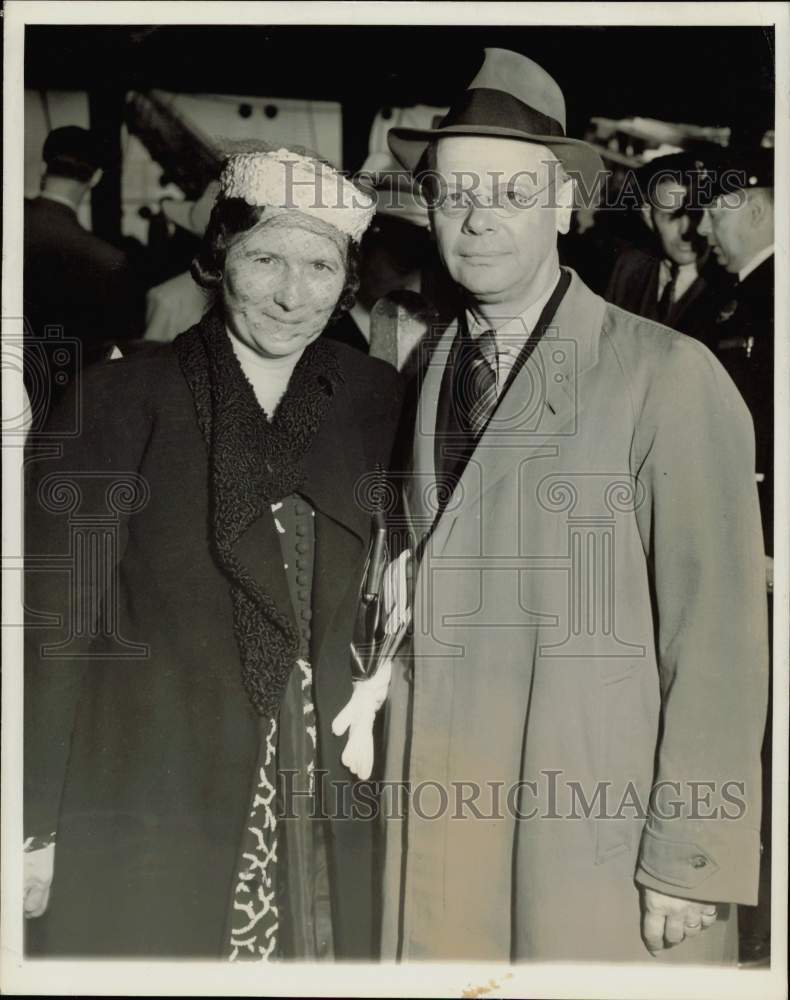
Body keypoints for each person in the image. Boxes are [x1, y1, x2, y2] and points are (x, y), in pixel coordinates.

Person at [379, 48, 768, 963]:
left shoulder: (669, 376)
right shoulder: (429, 365)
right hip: (450, 816)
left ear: (565, 206)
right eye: (453, 192)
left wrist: (690, 855)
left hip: (595, 835)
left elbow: (718, 640)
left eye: (512, 193)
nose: (476, 220)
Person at [23, 144, 402, 960]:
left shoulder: (371, 398)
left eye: (321, 265)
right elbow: (55, 625)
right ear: (216, 257)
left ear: (349, 281)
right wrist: (30, 824)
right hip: (154, 781)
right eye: (264, 257)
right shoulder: (120, 400)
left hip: (329, 784)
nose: (292, 294)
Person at [698, 145, 774, 965]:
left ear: (756, 204)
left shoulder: (770, 297)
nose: (702, 226)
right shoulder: (738, 299)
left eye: (715, 209)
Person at [23, 126, 144, 428]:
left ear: (42, 167)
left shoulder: (11, 224)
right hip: (56, 413)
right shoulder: (108, 260)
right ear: (96, 177)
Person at [605, 152, 729, 339]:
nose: (686, 231)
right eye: (671, 215)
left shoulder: (728, 279)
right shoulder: (628, 268)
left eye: (696, 214)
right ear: (648, 215)